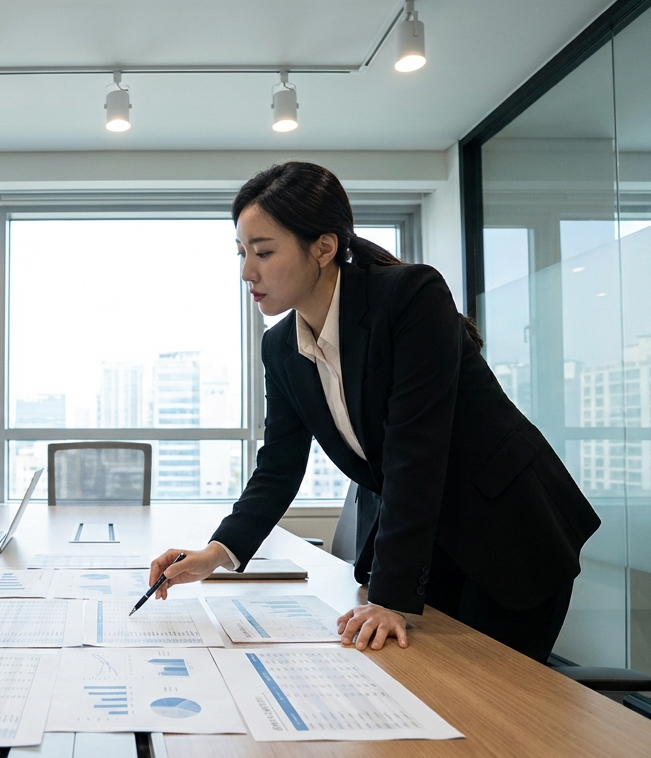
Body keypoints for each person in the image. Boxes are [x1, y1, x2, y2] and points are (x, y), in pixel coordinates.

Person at [149, 161, 599, 663]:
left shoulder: (410, 297)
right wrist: (218, 553)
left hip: (509, 531)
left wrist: (389, 597)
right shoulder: (280, 347)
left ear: (323, 247)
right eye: (241, 253)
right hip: (430, 542)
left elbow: (416, 451)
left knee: (490, 710)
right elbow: (278, 466)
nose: (246, 272)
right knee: (419, 687)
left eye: (264, 252)